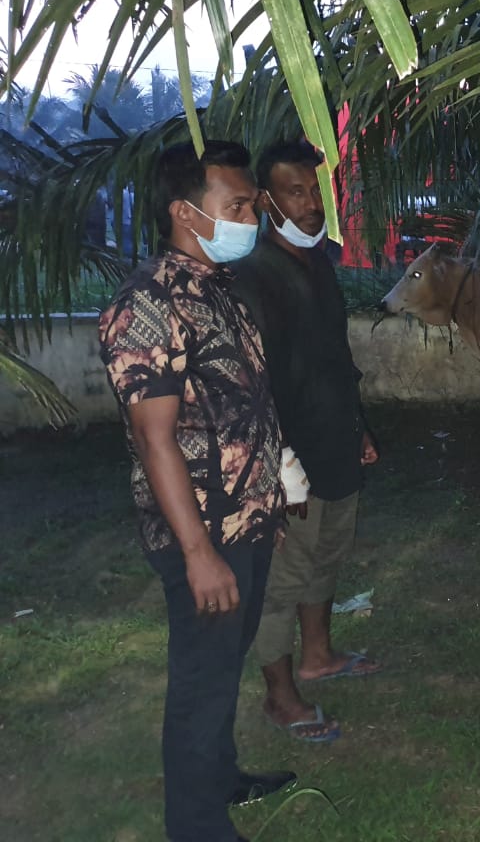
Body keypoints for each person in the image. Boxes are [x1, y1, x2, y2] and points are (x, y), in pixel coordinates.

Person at [98, 141, 295, 842]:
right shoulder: (147, 305)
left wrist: (274, 486)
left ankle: (221, 777)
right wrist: (198, 554)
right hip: (203, 532)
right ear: (186, 212)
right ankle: (196, 827)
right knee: (201, 682)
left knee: (223, 667)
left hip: (246, 520)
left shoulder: (219, 288)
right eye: (237, 206)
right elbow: (155, 439)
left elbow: (241, 403)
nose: (252, 218)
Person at [231, 140, 382, 746]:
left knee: (326, 556)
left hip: (335, 442)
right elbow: (248, 385)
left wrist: (358, 425)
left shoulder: (319, 263)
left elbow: (334, 357)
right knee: (282, 579)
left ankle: (318, 656)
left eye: (317, 191)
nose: (313, 204)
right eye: (296, 192)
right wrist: (276, 463)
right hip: (287, 460)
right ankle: (279, 696)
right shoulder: (253, 277)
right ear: (266, 201)